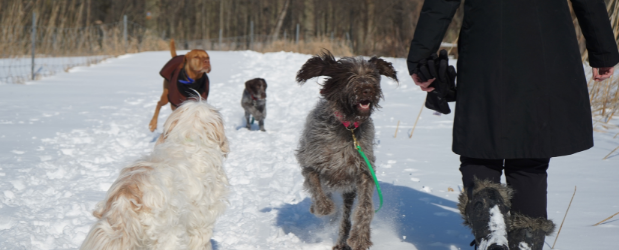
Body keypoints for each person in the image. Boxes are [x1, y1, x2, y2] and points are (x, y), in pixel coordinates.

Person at [407, 0, 619, 249]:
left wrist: (421, 56)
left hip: (486, 45)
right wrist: (603, 49)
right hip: (545, 44)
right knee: (530, 154)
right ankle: (526, 240)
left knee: (481, 146)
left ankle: (491, 228)